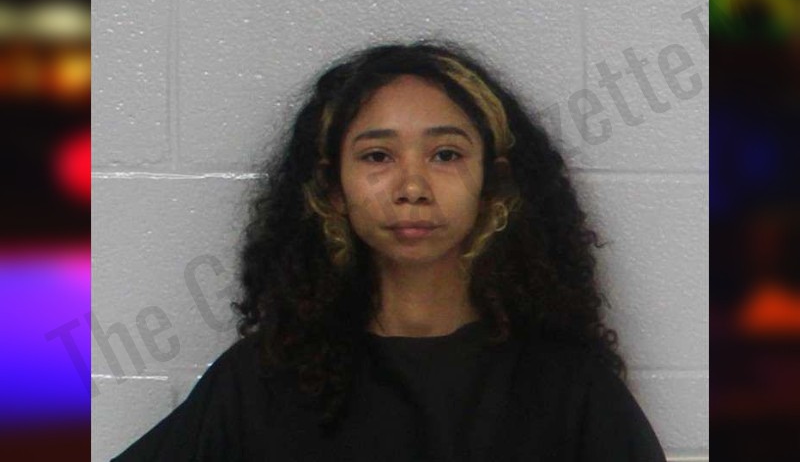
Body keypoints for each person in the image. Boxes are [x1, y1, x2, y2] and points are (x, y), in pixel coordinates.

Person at [111, 40, 667, 461]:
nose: (412, 187)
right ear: (333, 188)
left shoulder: (568, 387)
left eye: (446, 155)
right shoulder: (262, 381)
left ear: (492, 184)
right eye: (377, 156)